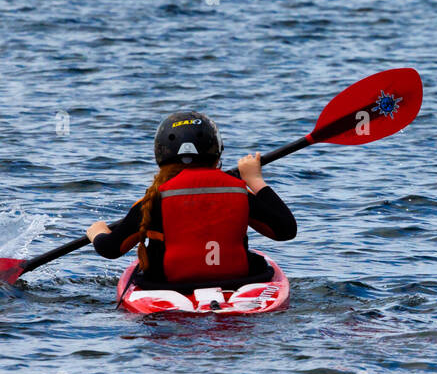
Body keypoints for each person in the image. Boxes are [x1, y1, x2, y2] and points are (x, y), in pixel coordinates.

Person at [87, 111, 296, 288]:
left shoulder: (154, 199)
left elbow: (111, 249)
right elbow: (285, 230)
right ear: (217, 152)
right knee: (258, 262)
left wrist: (98, 233)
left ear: (160, 155)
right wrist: (255, 180)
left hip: (170, 287)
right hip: (236, 283)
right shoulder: (239, 191)